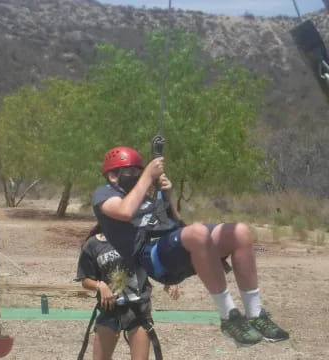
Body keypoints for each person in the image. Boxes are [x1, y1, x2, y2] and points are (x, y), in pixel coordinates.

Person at [92, 146, 289, 347]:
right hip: (152, 256)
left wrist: (166, 197)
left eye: (138, 170)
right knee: (198, 232)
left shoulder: (143, 197)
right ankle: (229, 316)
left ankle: (255, 313)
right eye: (130, 171)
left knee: (240, 232)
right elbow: (124, 212)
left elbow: (177, 224)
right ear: (113, 176)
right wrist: (148, 177)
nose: (136, 174)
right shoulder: (104, 194)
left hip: (174, 246)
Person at [76, 225, 179, 360]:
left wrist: (168, 280)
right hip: (109, 310)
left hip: (138, 311)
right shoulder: (93, 244)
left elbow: (154, 259)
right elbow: (85, 280)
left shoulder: (137, 238)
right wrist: (100, 285)